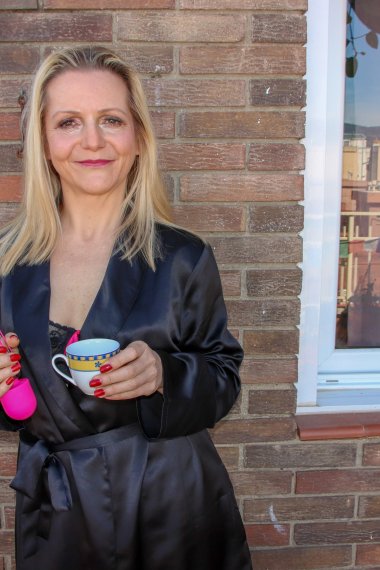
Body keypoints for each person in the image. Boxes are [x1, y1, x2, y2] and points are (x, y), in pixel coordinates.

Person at [0, 45, 252, 570]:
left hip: (168, 506)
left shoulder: (182, 257)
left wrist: (164, 373)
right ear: (44, 143)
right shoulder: (8, 265)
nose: (92, 141)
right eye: (69, 122)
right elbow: (16, 403)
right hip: (60, 515)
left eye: (111, 120)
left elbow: (223, 377)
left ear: (136, 137)